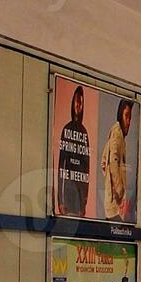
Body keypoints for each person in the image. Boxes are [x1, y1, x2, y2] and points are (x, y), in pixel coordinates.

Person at [55, 85, 91, 217]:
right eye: (76, 101)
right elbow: (60, 168)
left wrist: (84, 201)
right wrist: (60, 199)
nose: (78, 105)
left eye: (80, 102)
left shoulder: (84, 132)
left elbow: (86, 170)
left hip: (79, 195)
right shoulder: (66, 129)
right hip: (68, 192)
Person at [100, 99, 135, 222]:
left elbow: (104, 160)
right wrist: (119, 189)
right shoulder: (117, 134)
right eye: (126, 116)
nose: (129, 121)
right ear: (120, 114)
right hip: (115, 205)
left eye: (130, 117)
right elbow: (112, 160)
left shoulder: (116, 134)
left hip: (113, 204)